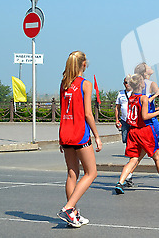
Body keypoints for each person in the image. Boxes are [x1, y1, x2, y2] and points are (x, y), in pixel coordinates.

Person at [57, 51, 102, 227]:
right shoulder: (85, 84)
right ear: (84, 64)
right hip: (79, 133)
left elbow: (63, 111)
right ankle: (69, 208)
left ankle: (73, 214)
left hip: (65, 133)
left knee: (72, 173)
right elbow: (88, 114)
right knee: (92, 172)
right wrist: (97, 136)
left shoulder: (64, 84)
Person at [115, 74, 159, 194]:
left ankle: (120, 182)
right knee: (157, 158)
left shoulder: (131, 97)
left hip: (133, 131)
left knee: (133, 159)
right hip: (144, 130)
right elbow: (145, 115)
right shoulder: (143, 98)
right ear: (141, 84)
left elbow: (143, 103)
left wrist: (155, 96)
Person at [114, 77, 134, 187]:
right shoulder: (121, 94)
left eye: (130, 82)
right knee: (127, 142)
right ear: (124, 84)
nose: (128, 84)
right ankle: (129, 173)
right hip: (125, 122)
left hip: (134, 122)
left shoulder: (136, 93)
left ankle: (129, 173)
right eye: (126, 83)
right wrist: (117, 120)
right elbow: (117, 107)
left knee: (134, 146)